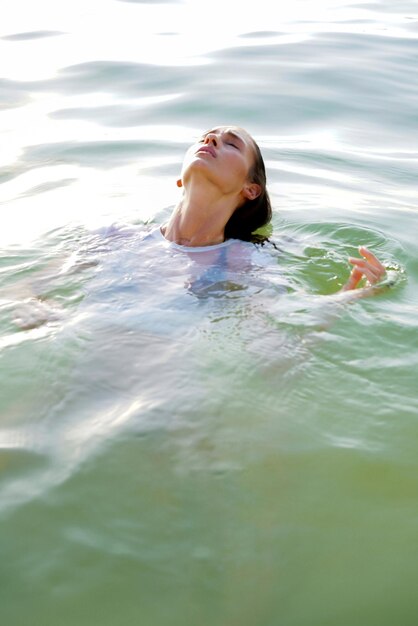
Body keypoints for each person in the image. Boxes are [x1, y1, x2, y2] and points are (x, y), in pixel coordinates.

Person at [160, 125, 387, 292]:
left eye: (232, 144)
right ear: (180, 178)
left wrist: (348, 297)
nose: (210, 139)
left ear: (251, 189)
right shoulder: (125, 237)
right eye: (203, 138)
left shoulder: (242, 260)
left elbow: (275, 342)